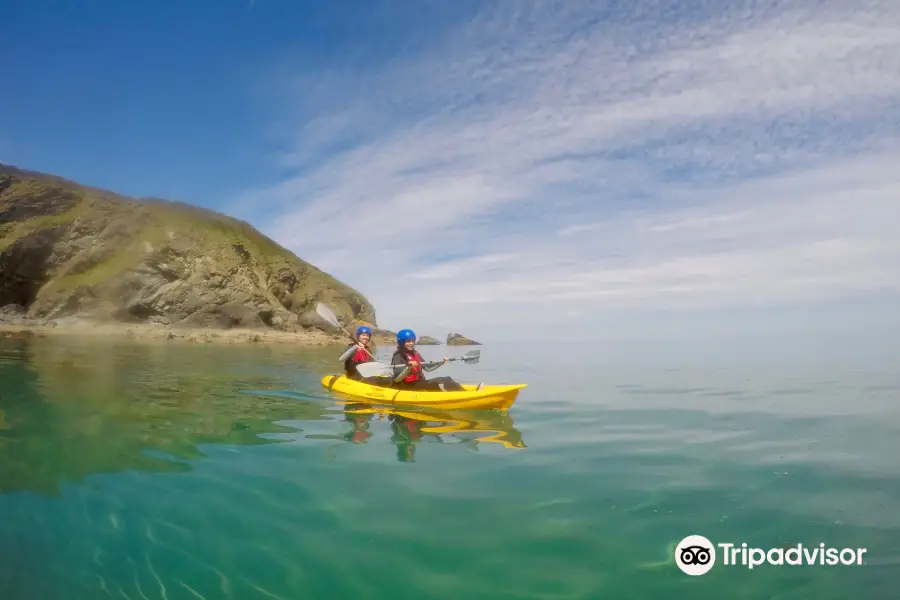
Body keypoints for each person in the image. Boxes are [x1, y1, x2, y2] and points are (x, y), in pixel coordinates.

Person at [390, 329, 481, 391]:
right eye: (408, 341)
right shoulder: (398, 356)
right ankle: (467, 395)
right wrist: (408, 368)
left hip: (419, 383)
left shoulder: (415, 354)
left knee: (447, 378)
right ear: (402, 342)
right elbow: (398, 379)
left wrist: (442, 362)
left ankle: (467, 392)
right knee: (440, 381)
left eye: (413, 340)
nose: (411, 343)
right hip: (408, 387)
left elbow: (428, 368)